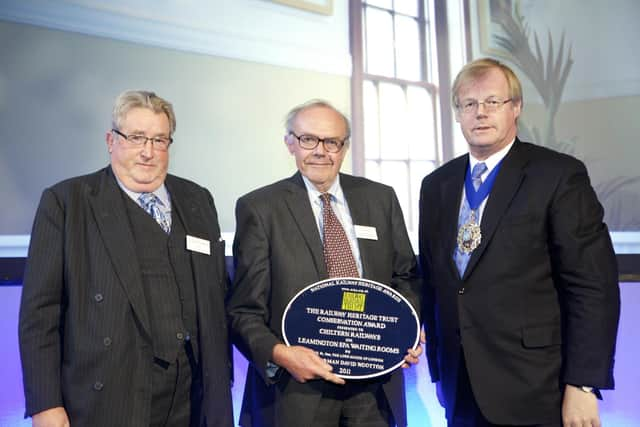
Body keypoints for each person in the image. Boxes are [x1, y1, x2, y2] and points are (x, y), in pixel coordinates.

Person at [418, 57, 620, 427]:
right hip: (459, 384)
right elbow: (432, 279)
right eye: (469, 104)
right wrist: (436, 368)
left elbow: (593, 286)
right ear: (458, 114)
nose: (481, 113)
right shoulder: (436, 185)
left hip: (536, 385)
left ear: (516, 108)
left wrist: (583, 384)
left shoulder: (557, 175)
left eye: (493, 102)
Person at [19, 90, 233, 427]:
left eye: (159, 140)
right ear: (111, 140)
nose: (148, 152)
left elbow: (218, 296)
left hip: (195, 394)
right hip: (111, 393)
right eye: (136, 138)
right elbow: (39, 315)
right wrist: (45, 404)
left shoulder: (197, 199)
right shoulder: (67, 202)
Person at [227, 100, 422, 427]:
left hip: (374, 391)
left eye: (331, 142)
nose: (320, 151)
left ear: (344, 147)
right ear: (290, 143)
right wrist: (280, 356)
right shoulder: (260, 208)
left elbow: (406, 278)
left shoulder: (380, 198)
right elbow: (244, 311)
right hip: (297, 393)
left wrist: (407, 332)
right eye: (308, 140)